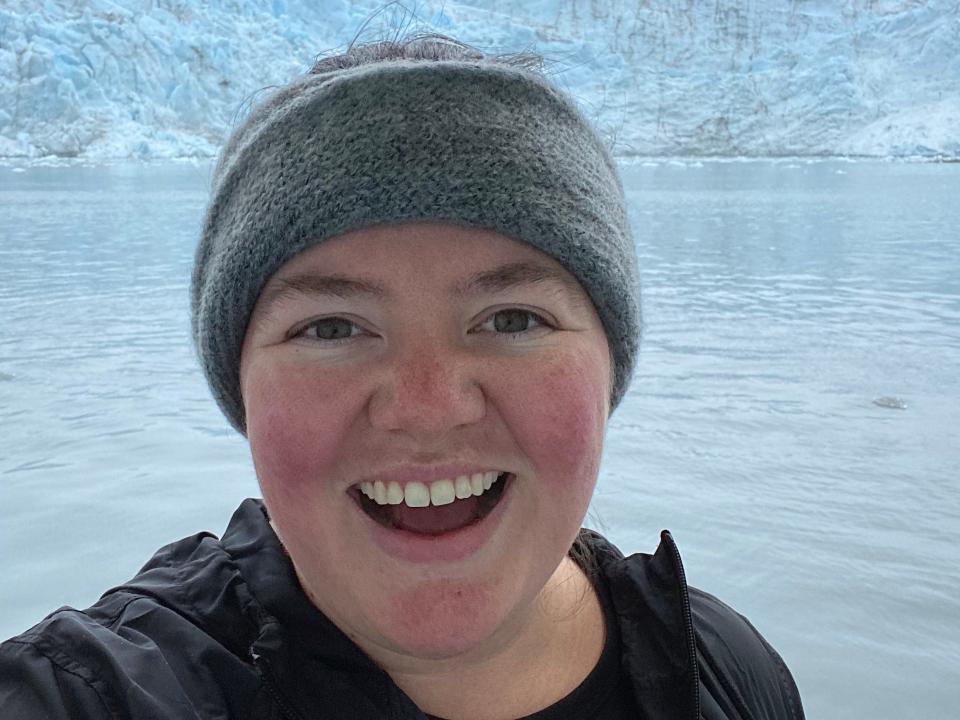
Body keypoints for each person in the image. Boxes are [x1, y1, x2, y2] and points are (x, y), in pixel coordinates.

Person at [0, 34, 804, 719]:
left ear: (609, 362)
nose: (427, 409)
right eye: (332, 328)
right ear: (239, 382)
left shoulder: (725, 671)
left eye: (514, 320)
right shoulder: (94, 693)